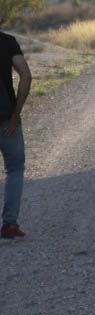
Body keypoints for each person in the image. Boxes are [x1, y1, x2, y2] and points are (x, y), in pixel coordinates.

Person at [0, 29, 31, 239]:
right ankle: (10, 224)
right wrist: (15, 114)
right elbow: (26, 76)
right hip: (7, 120)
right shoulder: (8, 41)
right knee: (15, 170)